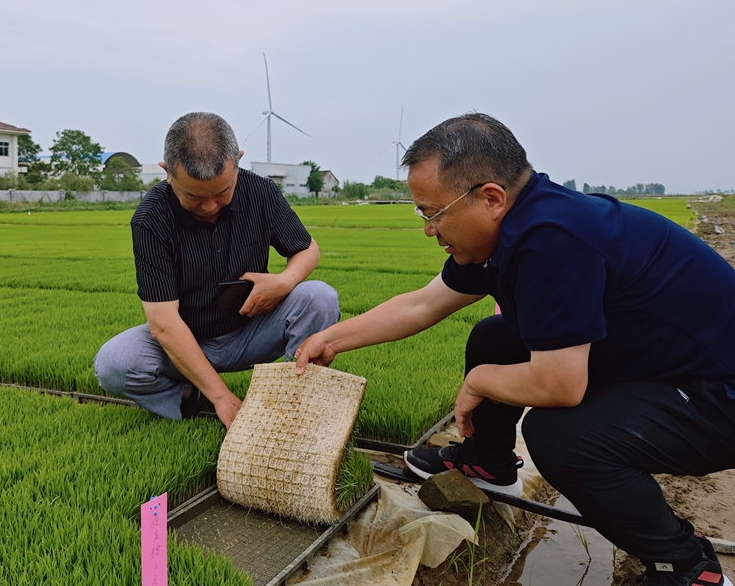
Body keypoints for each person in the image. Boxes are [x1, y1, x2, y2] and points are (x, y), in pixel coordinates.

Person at [294, 113, 735, 586]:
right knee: (496, 337)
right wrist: (330, 338)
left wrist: (478, 380)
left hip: (717, 397)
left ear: (491, 198)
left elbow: (560, 385)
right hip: (666, 368)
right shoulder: (510, 231)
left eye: (433, 212)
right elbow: (422, 304)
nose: (428, 228)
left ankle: (689, 566)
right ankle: (489, 462)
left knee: (561, 437)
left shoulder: (553, 238)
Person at [94, 112, 339, 428]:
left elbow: (307, 249)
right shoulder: (150, 219)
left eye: (223, 193)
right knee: (114, 364)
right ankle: (187, 395)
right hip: (188, 337)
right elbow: (164, 324)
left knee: (319, 296)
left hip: (255, 328)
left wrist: (283, 282)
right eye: (194, 197)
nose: (210, 207)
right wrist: (221, 397)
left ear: (237, 161)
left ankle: (292, 399)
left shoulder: (261, 193)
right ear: (168, 173)